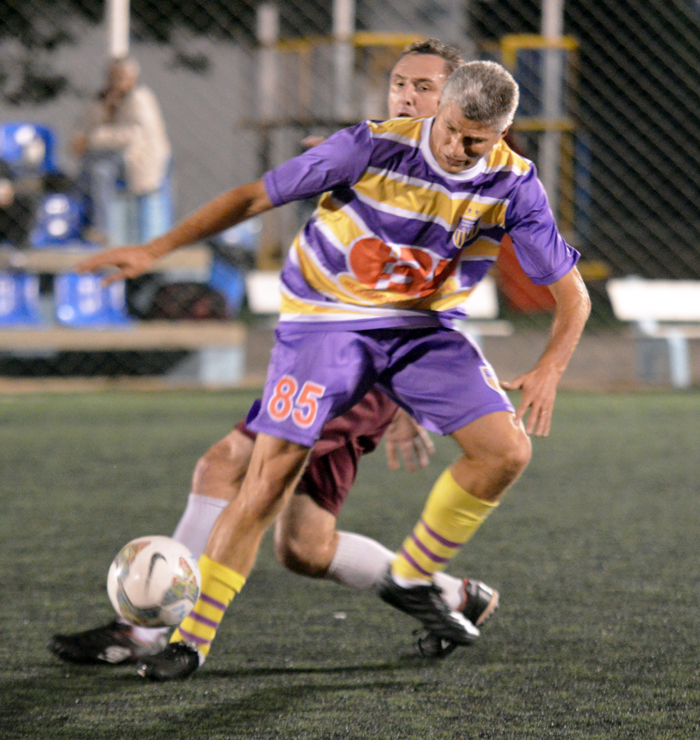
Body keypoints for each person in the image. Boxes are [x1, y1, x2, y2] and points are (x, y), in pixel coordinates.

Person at [73, 59, 591, 681]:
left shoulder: (513, 185)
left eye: (474, 139)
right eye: (448, 127)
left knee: (506, 451)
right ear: (442, 109)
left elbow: (574, 294)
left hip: (420, 330)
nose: (456, 147)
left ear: (501, 133)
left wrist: (549, 368)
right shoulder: (368, 147)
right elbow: (250, 197)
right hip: (326, 327)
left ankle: (413, 578)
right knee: (266, 484)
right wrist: (155, 250)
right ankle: (189, 639)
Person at [71, 56, 171, 242]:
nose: (116, 82)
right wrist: (81, 137)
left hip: (136, 160)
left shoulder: (140, 99)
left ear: (133, 78)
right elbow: (84, 124)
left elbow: (133, 134)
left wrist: (93, 138)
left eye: (122, 77)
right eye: (112, 76)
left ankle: (101, 229)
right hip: (105, 156)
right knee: (88, 167)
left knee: (99, 171)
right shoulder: (101, 99)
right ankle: (77, 225)